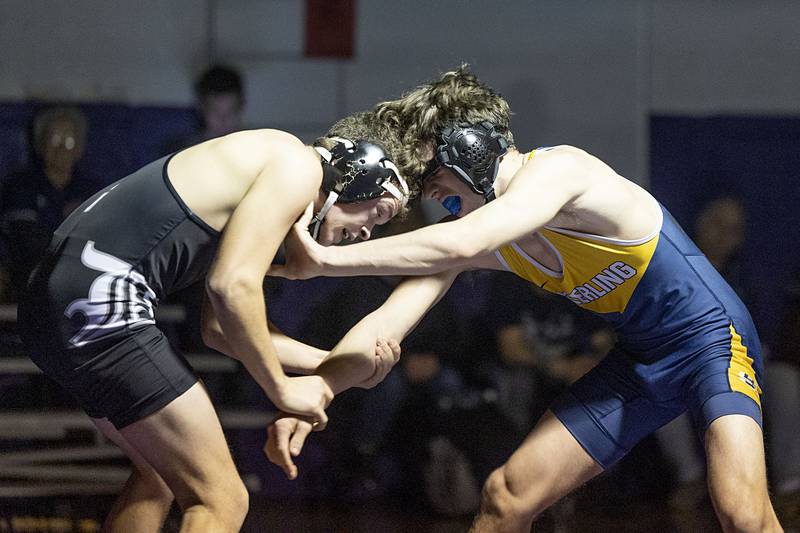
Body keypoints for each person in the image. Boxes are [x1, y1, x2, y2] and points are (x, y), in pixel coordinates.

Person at [269, 67, 782, 533]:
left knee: (742, 513)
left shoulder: (561, 171)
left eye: (437, 181)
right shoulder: (484, 232)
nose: (435, 199)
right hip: (640, 359)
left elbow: (459, 244)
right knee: (506, 497)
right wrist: (320, 388)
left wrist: (324, 260)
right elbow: (390, 319)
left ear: (470, 148)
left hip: (713, 343)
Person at [17, 111, 428, 532]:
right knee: (222, 498)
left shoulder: (260, 174)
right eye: (377, 213)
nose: (367, 234)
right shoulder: (296, 165)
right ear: (357, 173)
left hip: (55, 302)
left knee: (159, 475)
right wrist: (281, 387)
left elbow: (219, 329)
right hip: (99, 296)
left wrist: (331, 363)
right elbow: (231, 287)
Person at [0, 105, 97, 302]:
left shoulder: (91, 190)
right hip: (30, 283)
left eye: (69, 140)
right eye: (54, 139)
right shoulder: (20, 186)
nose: (61, 147)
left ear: (80, 148)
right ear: (39, 144)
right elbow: (26, 241)